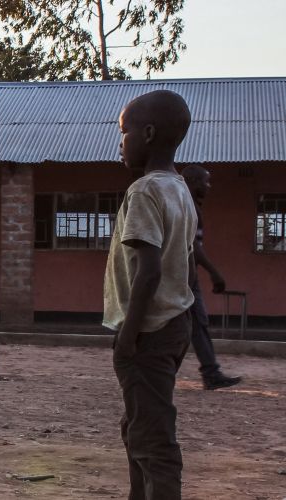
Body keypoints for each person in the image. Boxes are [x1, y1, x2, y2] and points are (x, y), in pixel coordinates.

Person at [105, 90, 197, 500]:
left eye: (123, 133)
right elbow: (185, 264)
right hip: (175, 324)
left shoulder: (144, 191)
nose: (120, 142)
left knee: (152, 438)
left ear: (148, 133)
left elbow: (150, 270)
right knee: (137, 425)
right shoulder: (179, 187)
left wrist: (128, 336)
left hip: (148, 330)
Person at [178, 165, 243, 391]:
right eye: (206, 181)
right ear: (194, 181)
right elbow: (192, 245)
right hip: (183, 276)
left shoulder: (189, 205)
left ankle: (210, 372)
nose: (209, 186)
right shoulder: (188, 206)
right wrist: (214, 272)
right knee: (194, 323)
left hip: (188, 275)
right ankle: (210, 373)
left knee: (195, 324)